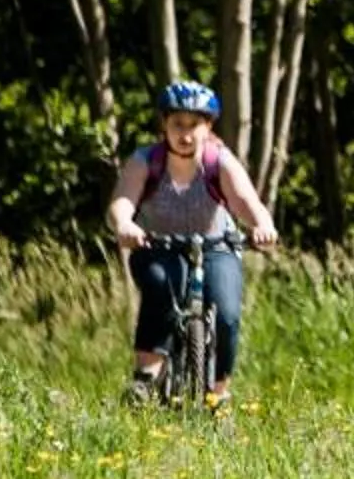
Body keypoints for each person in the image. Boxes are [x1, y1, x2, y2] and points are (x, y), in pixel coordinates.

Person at [108, 79, 280, 403]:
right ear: (164, 124)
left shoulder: (219, 162)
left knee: (227, 313)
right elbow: (123, 201)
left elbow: (246, 201)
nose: (185, 134)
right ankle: (148, 375)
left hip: (217, 246)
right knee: (160, 283)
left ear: (208, 126)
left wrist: (262, 225)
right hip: (157, 246)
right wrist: (124, 225)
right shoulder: (147, 160)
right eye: (177, 124)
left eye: (194, 125)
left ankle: (218, 394)